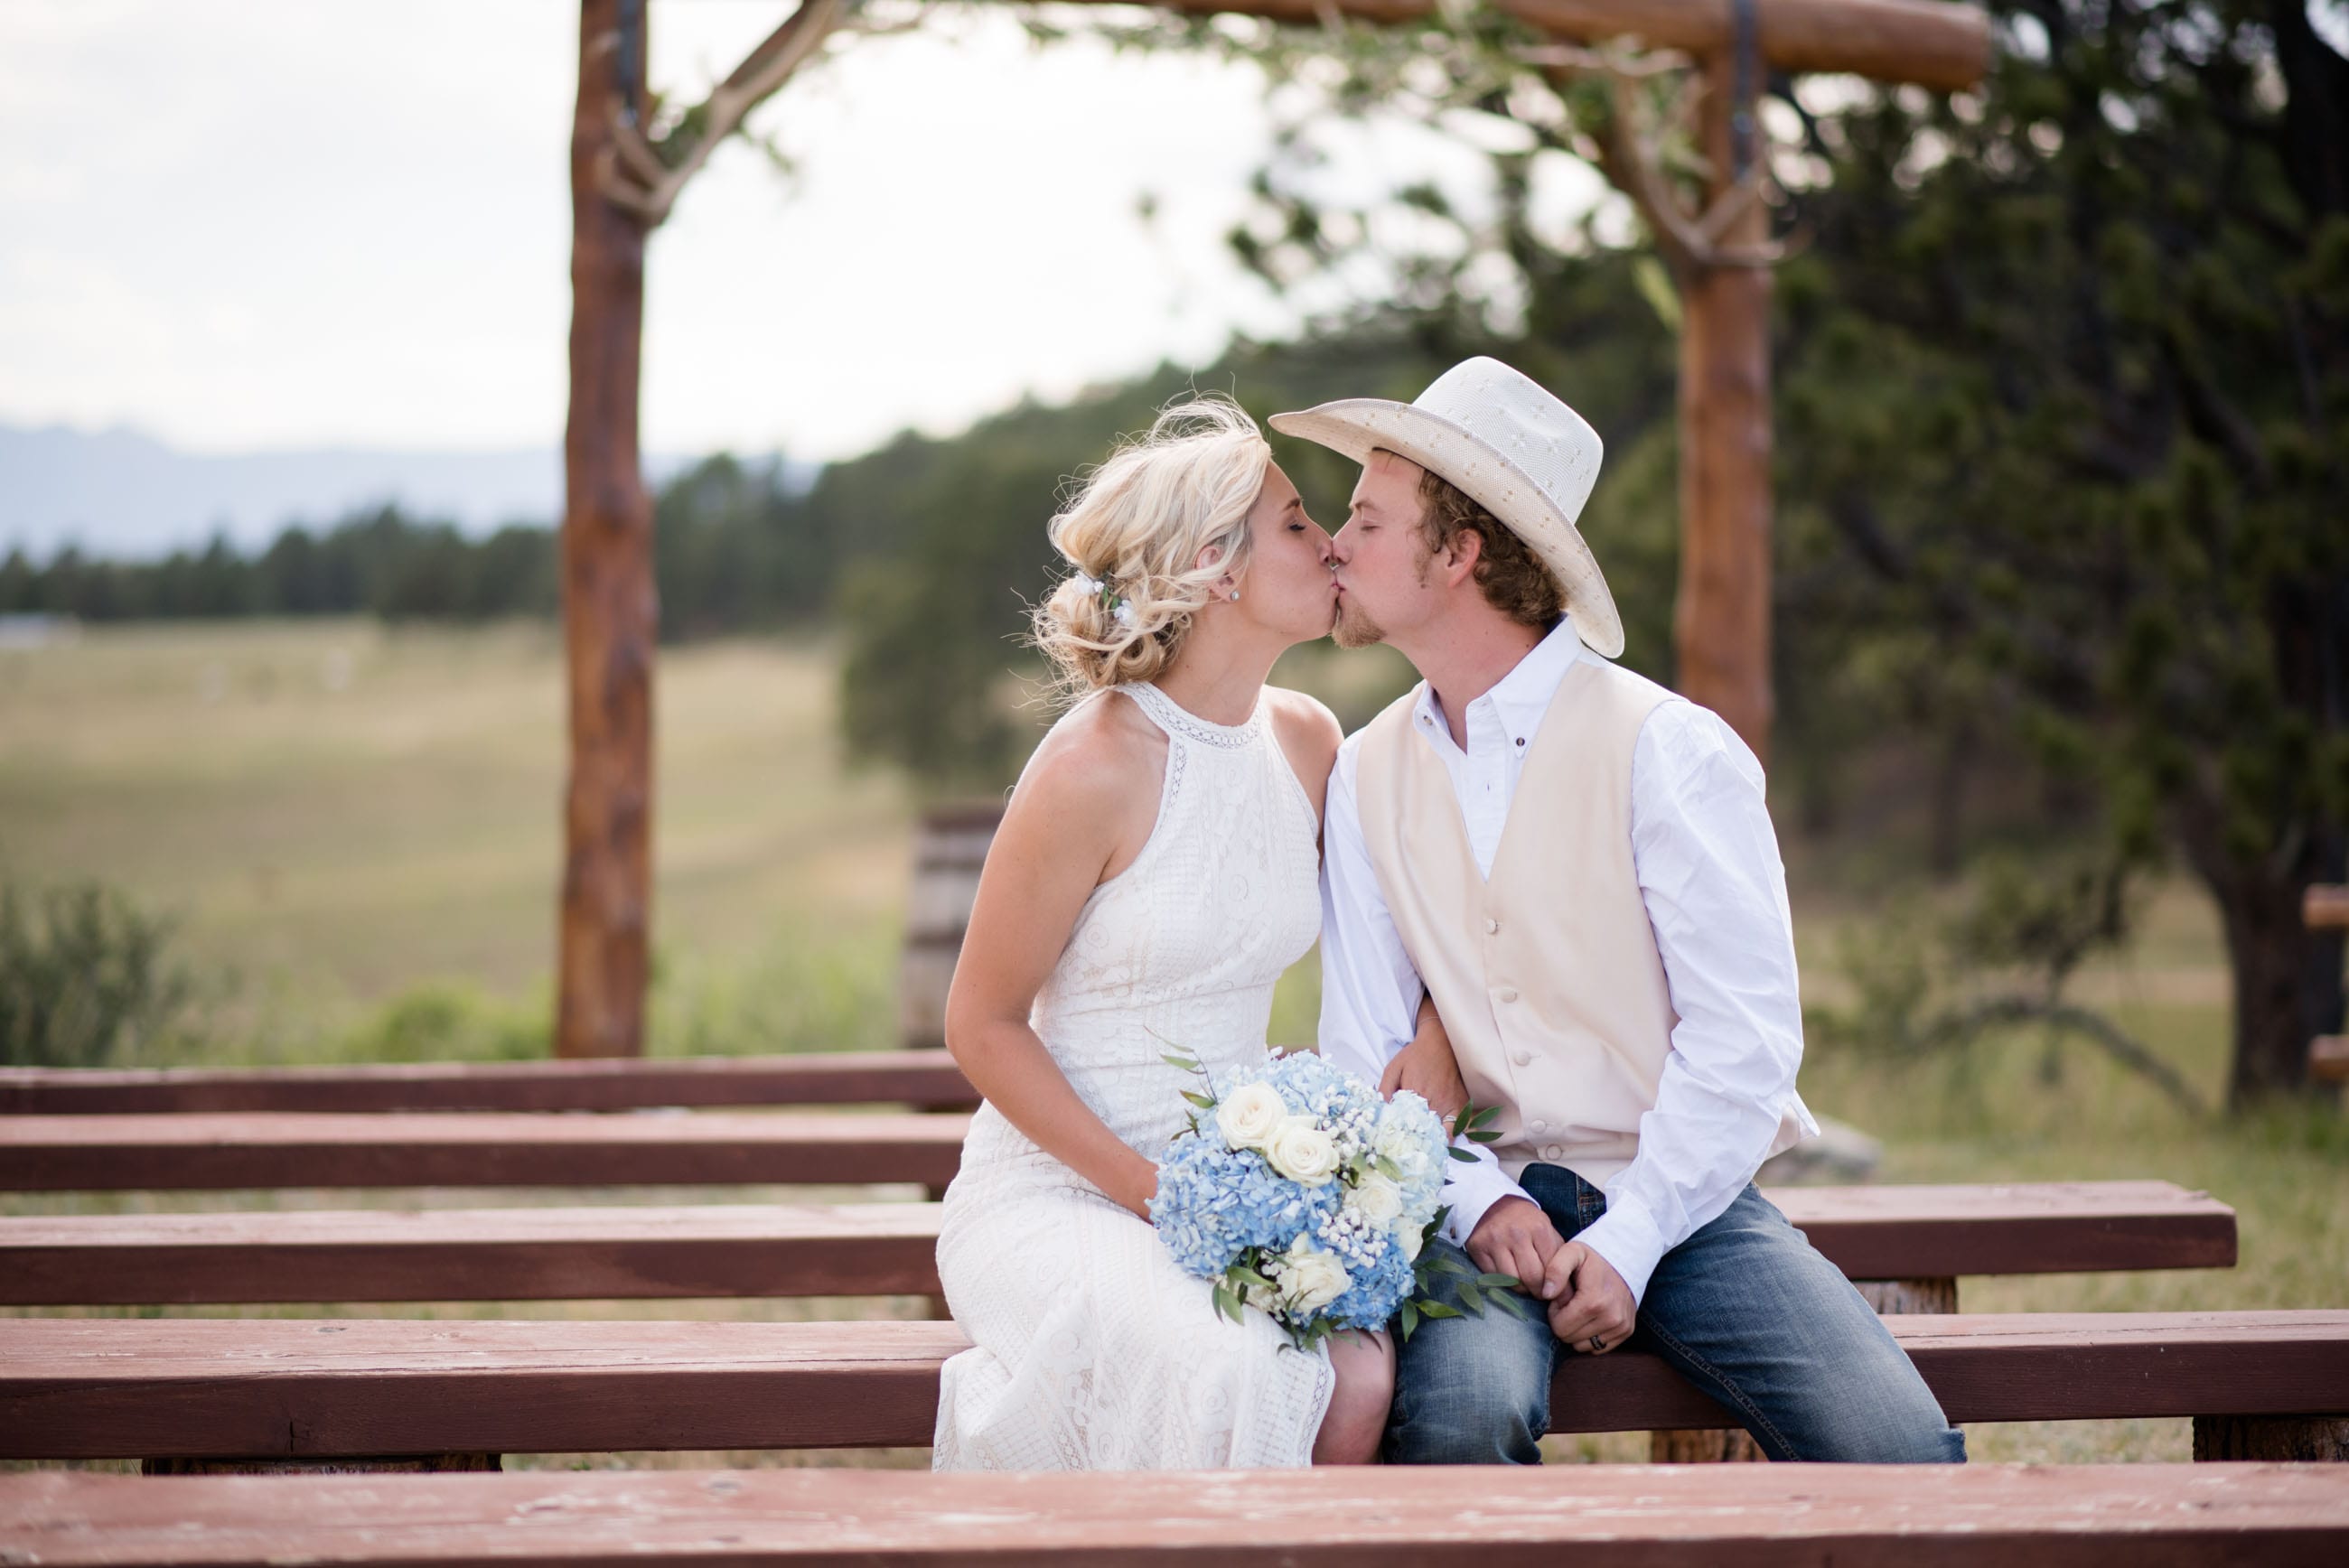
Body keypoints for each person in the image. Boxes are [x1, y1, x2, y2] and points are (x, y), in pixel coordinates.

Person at [1271, 357, 1967, 1465]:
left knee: (1896, 1451)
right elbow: (1365, 1049)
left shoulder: (1669, 750)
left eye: (1366, 515)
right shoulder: (1363, 773)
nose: (1335, 545)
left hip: (1676, 1199)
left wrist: (1635, 1237)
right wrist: (1472, 1200)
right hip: (1474, 1204)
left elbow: (1741, 1044)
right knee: (1459, 1420)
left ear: (1458, 553)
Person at [931, 397, 1448, 1470]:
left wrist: (1417, 1054)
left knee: (1358, 1376)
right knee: (1236, 1368)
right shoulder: (1092, 770)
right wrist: (1146, 1188)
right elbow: (979, 1025)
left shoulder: (1306, 741)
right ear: (1220, 570)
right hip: (1059, 1191)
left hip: (1239, 1183)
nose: (1330, 543)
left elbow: (1415, 930)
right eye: (1298, 522)